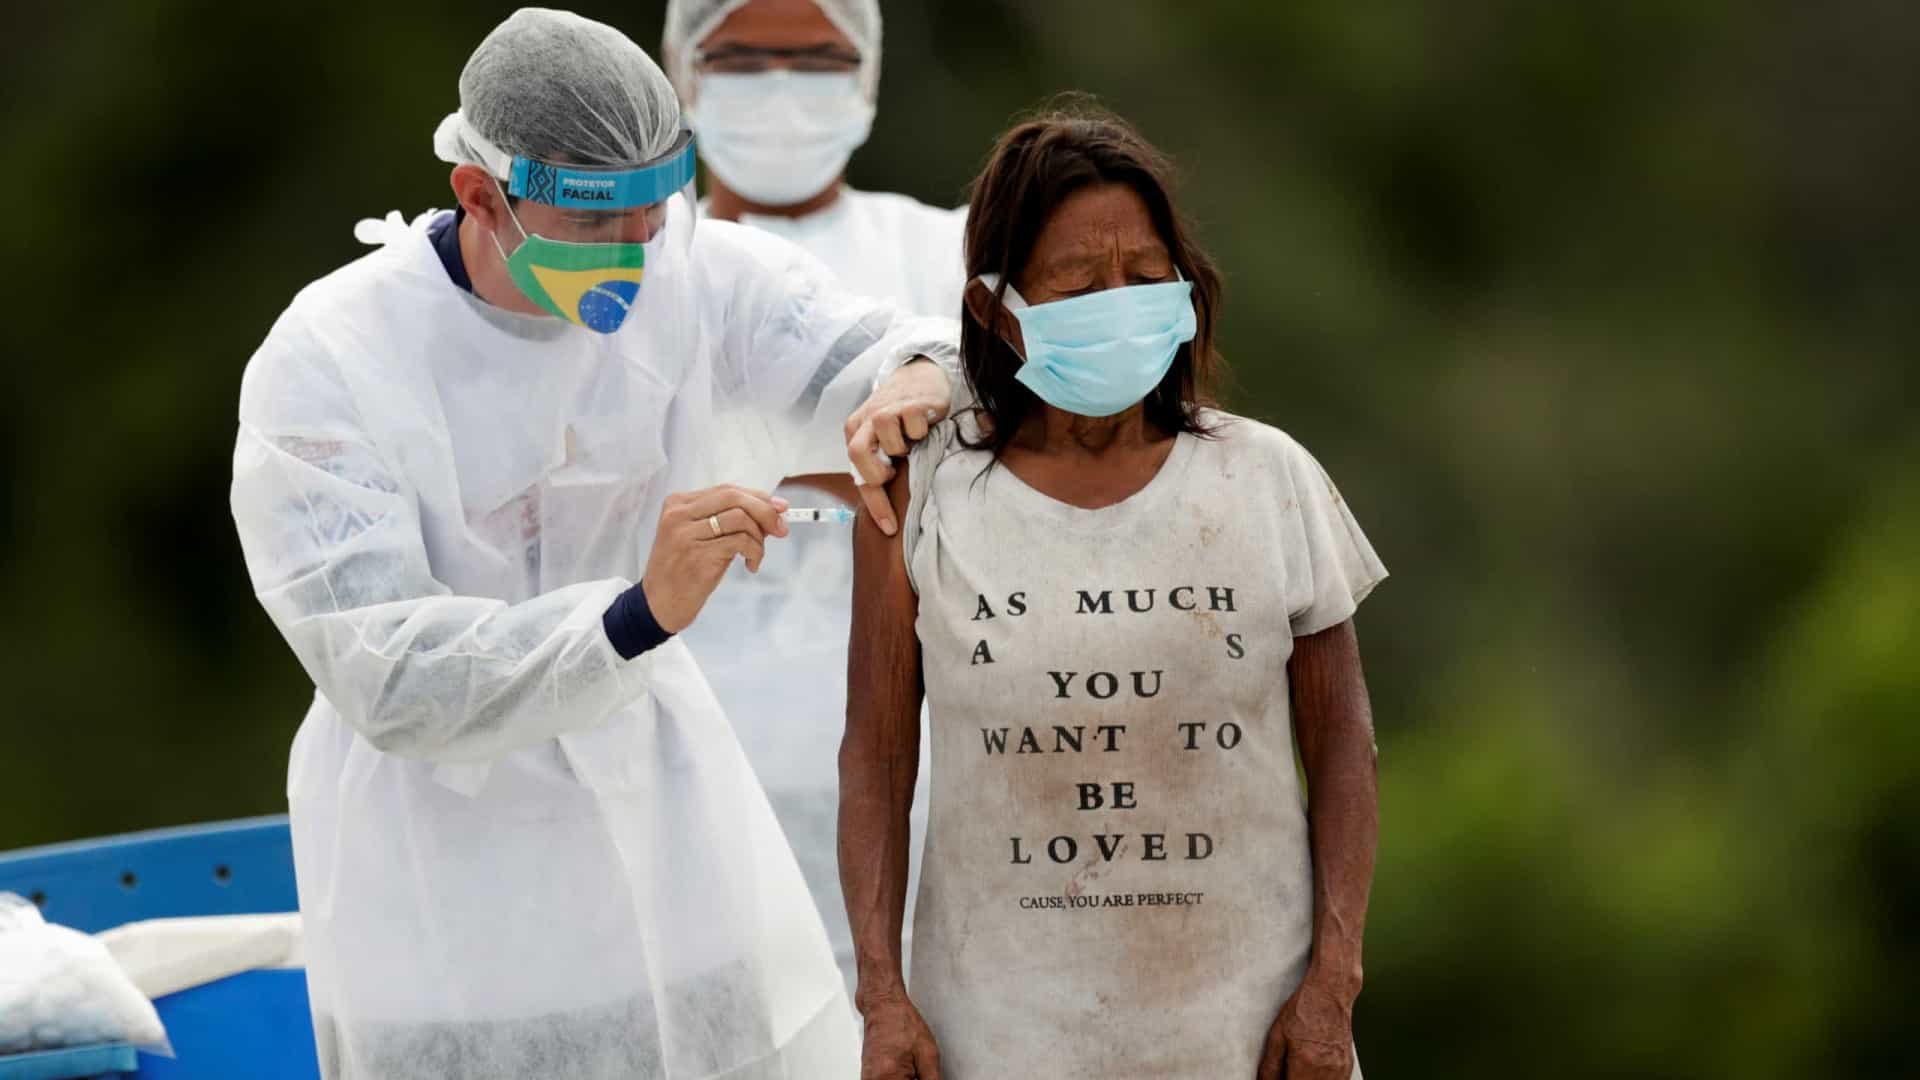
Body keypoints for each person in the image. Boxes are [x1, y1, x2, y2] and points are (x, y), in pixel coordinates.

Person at [228, 9, 960, 1079]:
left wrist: (917, 378)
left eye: (649, 218)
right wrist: (633, 615)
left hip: (664, 838)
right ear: (479, 195)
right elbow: (388, 675)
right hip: (441, 892)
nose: (632, 257)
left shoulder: (695, 279)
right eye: (593, 227)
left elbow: (899, 342)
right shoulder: (333, 357)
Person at [839, 105, 1387, 1080]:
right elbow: (878, 755)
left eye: (1142, 276)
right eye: (1078, 282)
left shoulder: (1269, 480)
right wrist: (881, 996)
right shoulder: (924, 495)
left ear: (1185, 291)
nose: (1117, 299)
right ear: (997, 310)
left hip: (1246, 1034)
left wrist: (1332, 986)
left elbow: (1342, 743)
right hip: (1000, 1036)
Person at [661, 0, 963, 990]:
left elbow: (1019, 455)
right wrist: (861, 441)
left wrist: (749, 447)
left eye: (817, 60)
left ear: (866, 78)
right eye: (742, 58)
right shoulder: (625, 268)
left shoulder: (951, 254)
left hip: (930, 785)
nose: (782, 88)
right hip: (689, 786)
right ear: (682, 75)